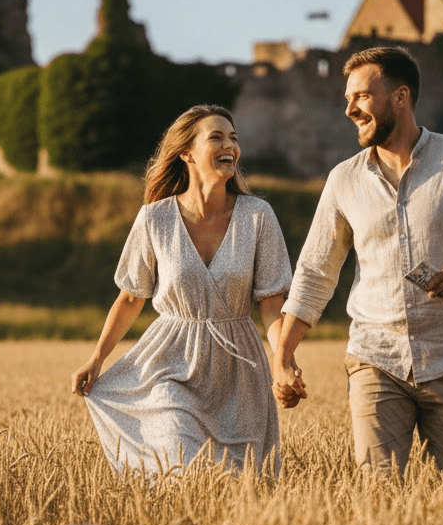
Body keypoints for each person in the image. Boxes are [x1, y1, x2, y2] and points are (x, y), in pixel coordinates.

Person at [272, 46, 443, 471]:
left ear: (400, 97)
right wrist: (282, 358)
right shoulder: (344, 180)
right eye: (347, 99)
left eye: (361, 96)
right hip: (375, 357)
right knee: (376, 494)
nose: (350, 109)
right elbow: (315, 272)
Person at [72, 104, 297, 477]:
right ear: (187, 152)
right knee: (180, 460)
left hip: (238, 367)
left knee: (235, 481)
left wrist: (282, 362)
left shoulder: (258, 216)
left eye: (234, 138)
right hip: (170, 360)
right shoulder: (154, 219)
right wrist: (97, 358)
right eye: (217, 137)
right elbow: (131, 297)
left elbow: (272, 303)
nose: (230, 145)